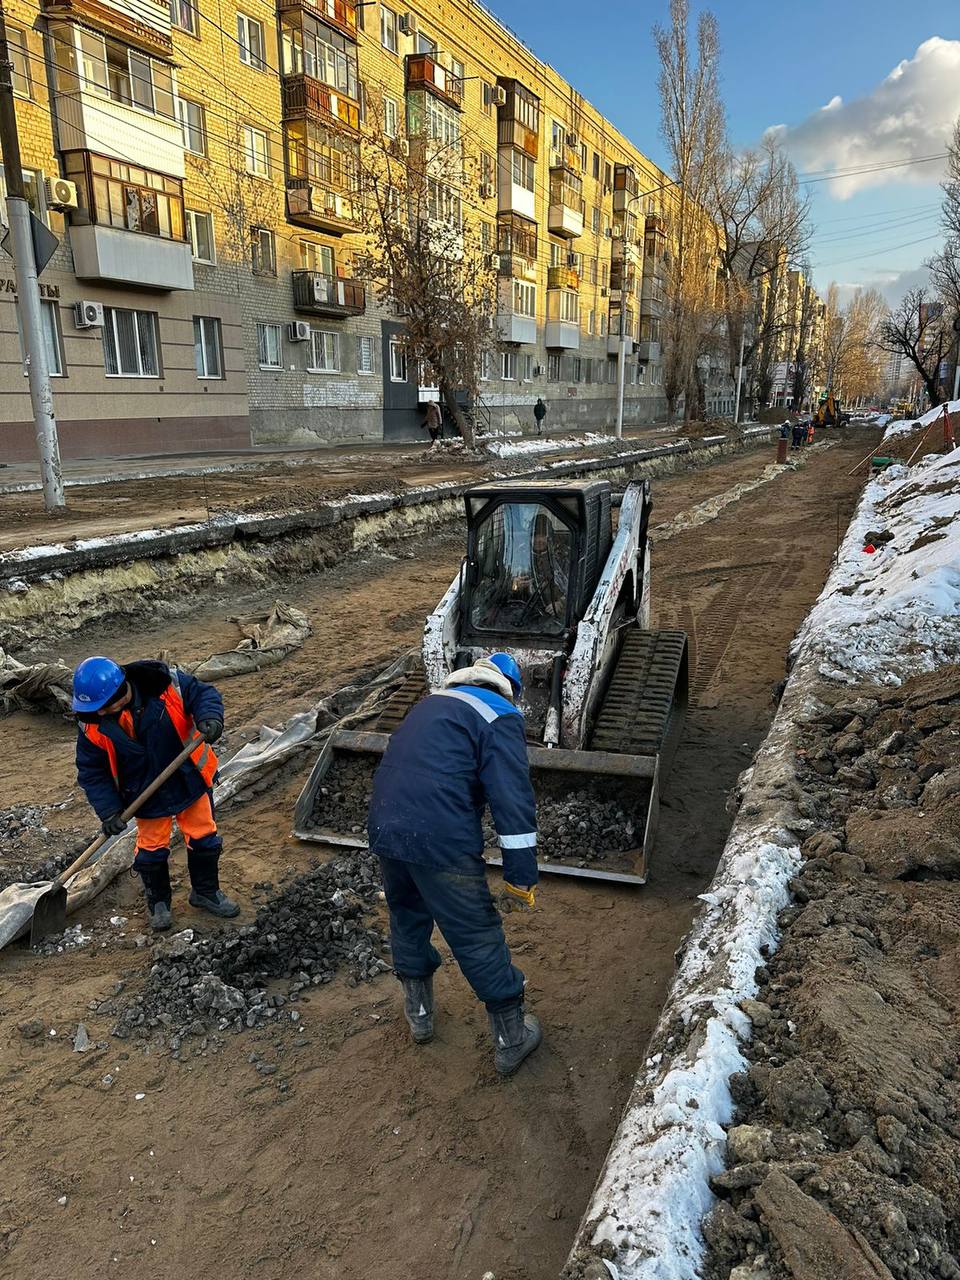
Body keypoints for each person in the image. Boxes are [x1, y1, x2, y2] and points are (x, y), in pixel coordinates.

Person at [368, 652, 542, 1077]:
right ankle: (511, 1039)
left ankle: (419, 1016)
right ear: (510, 690)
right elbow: (512, 801)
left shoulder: (429, 704)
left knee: (407, 915)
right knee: (475, 931)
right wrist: (520, 877)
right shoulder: (500, 714)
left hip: (387, 824)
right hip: (440, 835)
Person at [72, 656, 238, 931]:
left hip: (187, 778)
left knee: (204, 837)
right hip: (143, 794)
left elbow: (204, 694)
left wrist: (210, 717)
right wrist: (109, 810)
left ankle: (206, 892)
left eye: (105, 705)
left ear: (122, 690)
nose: (101, 712)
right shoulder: (91, 725)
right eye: (95, 708)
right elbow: (92, 772)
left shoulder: (167, 685)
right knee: (150, 851)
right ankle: (158, 902)